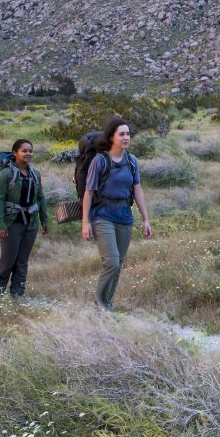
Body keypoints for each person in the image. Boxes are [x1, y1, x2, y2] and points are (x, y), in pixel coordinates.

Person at [82, 116, 152, 311]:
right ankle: (101, 304)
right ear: (111, 137)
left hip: (125, 216)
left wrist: (146, 219)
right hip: (102, 216)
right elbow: (89, 192)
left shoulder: (132, 161)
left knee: (118, 264)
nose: (126, 137)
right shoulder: (99, 161)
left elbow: (137, 190)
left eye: (128, 134)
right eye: (121, 134)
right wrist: (85, 222)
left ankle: (107, 303)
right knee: (111, 262)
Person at [0, 139, 49, 296]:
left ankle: (18, 292)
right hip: (12, 223)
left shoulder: (35, 174)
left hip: (31, 224)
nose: (28, 153)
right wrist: (0, 224)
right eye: (24, 151)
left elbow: (41, 198)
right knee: (8, 259)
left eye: (30, 150)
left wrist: (45, 220)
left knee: (22, 260)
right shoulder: (5, 174)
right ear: (15, 153)